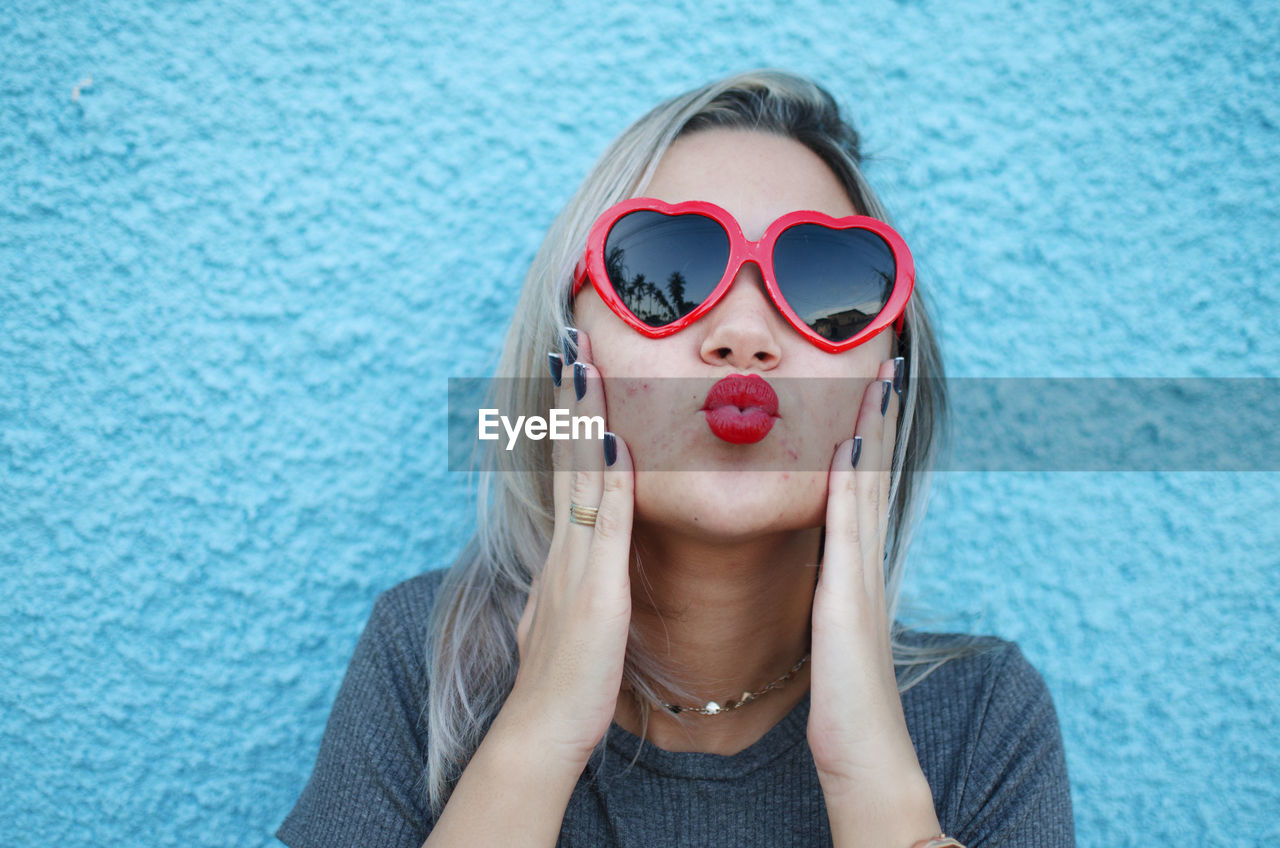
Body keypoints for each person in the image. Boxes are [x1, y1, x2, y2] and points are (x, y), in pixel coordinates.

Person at [276, 69, 1075, 848]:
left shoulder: (982, 717)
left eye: (825, 279)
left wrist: (869, 775)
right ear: (566, 354)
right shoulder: (430, 658)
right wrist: (538, 729)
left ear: (891, 379)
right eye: (667, 270)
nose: (745, 335)